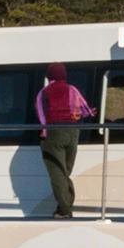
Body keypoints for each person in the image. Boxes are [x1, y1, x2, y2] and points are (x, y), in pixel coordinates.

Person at [35, 69, 95, 218]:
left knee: (57, 173)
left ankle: (64, 209)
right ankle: (65, 204)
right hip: (73, 132)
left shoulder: (44, 92)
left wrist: (45, 131)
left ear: (49, 76)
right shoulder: (72, 89)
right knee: (65, 171)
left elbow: (41, 114)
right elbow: (85, 110)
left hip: (54, 133)